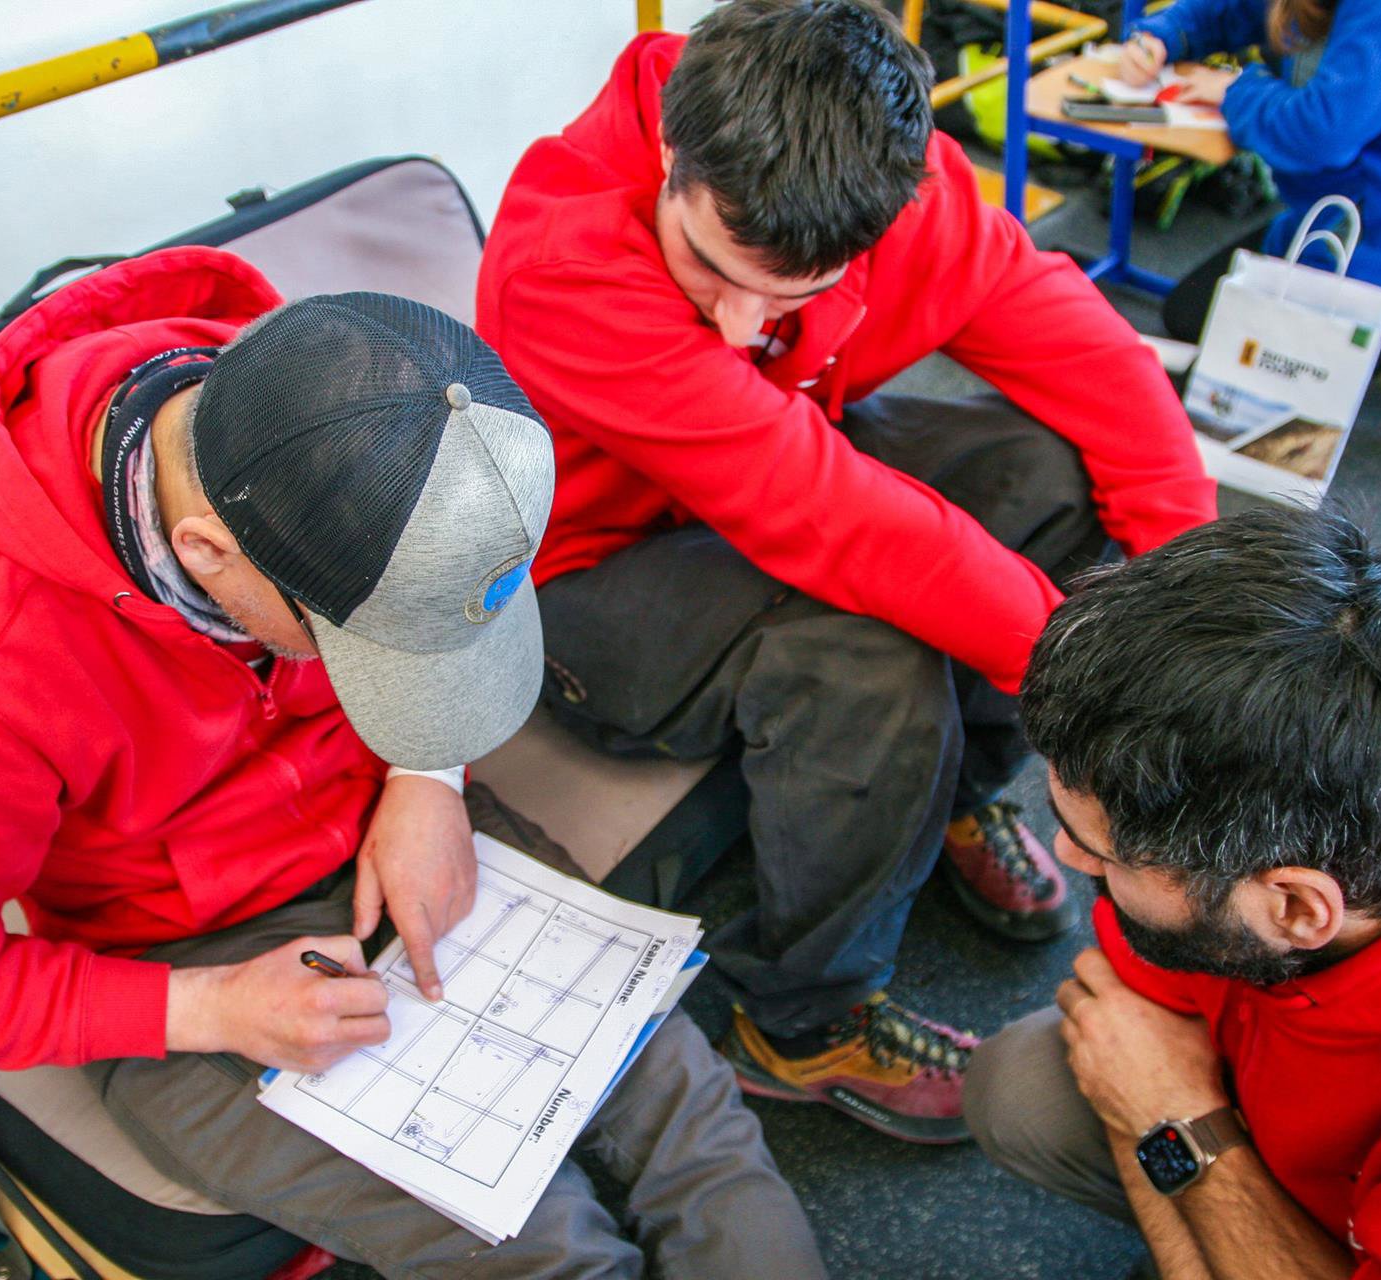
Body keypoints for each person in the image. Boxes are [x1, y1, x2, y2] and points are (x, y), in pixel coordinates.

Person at [0, 246, 825, 1278]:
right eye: (365, 649)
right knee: (541, 1250)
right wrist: (210, 1007)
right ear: (206, 556)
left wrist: (427, 776)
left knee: (701, 1134)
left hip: (390, 816)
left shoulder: (353, 391)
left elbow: (433, 618)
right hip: (178, 953)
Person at [476, 0, 1218, 1144]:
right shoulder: (561, 264)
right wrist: (1096, 689)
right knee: (863, 650)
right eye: (708, 264)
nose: (738, 325)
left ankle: (948, 793)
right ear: (673, 151)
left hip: (775, 467)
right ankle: (802, 1020)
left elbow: (1087, 353)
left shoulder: (899, 184)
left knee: (1049, 474)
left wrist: (1191, 600)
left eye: (790, 292)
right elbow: (837, 523)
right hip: (590, 577)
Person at [963, 507, 1381, 1279]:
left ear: (1297, 908)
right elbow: (1134, 1004)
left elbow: (1143, 1076)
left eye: (1100, 853)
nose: (1066, 855)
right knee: (1024, 1088)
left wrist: (1171, 1121)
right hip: (1287, 1099)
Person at [1119, 0, 1381, 437]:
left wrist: (1236, 90)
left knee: (1210, 392)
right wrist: (1163, 36)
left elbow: (1321, 134)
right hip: (1328, 215)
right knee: (1189, 316)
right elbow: (1237, 8)